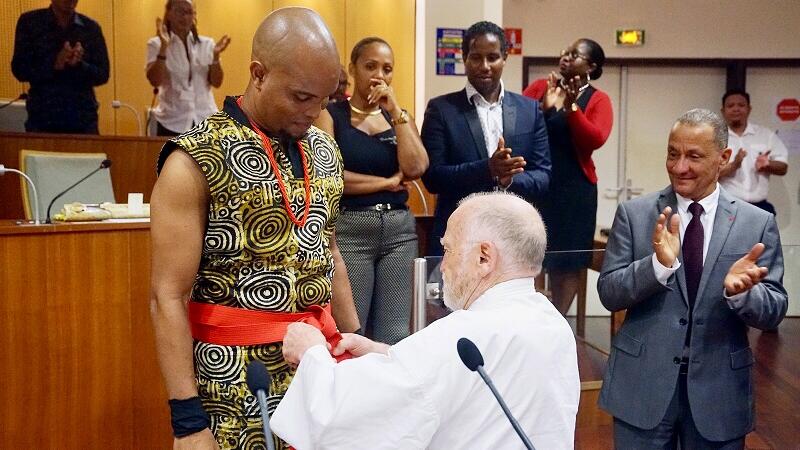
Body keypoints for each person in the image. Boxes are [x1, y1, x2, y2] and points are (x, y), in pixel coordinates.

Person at [149, 8, 360, 450]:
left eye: (324, 99)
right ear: (258, 74)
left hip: (317, 367)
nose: (315, 112)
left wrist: (352, 341)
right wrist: (186, 420)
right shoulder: (194, 158)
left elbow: (330, 252)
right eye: (301, 97)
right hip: (234, 382)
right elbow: (166, 295)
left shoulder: (323, 149)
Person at [271, 191, 580, 449]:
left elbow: (342, 415)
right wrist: (387, 355)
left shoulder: (462, 334)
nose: (442, 266)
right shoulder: (551, 321)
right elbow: (474, 386)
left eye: (448, 249)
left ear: (484, 257)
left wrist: (311, 353)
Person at [598, 109, 787, 449]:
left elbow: (774, 309)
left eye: (694, 156)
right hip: (642, 389)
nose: (679, 166)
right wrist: (657, 267)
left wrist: (742, 294)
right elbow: (609, 292)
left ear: (724, 157)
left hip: (719, 393)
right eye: (673, 153)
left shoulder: (755, 224)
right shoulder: (635, 214)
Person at [315, 37, 429, 344]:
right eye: (370, 66)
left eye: (387, 69)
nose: (379, 75)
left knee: (395, 334)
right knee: (353, 331)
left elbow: (417, 166)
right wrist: (387, 183)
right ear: (352, 69)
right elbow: (331, 176)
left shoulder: (398, 117)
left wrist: (394, 111)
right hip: (351, 229)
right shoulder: (331, 114)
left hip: (399, 232)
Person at [420, 20, 550, 256]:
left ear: (505, 57)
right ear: (464, 57)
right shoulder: (441, 109)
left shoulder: (529, 110)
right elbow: (433, 177)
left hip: (513, 237)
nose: (485, 66)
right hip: (459, 235)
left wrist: (508, 180)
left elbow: (543, 176)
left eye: (492, 57)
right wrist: (487, 169)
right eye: (476, 57)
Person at [523, 38, 613, 315]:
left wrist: (572, 108)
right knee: (531, 257)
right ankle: (532, 318)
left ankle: (558, 319)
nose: (565, 56)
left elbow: (594, 139)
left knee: (568, 261)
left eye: (575, 54)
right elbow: (518, 123)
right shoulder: (540, 87)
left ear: (591, 66)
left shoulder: (598, 99)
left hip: (575, 192)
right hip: (538, 187)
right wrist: (545, 107)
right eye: (565, 51)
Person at [11, 0, 109, 134]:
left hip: (83, 120)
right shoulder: (30, 22)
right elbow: (19, 69)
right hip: (43, 119)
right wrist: (54, 63)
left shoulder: (91, 28)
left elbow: (103, 74)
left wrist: (80, 65)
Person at [146, 0, 231, 136]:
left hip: (205, 120)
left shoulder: (207, 44)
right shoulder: (156, 44)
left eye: (189, 12)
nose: (185, 17)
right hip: (172, 121)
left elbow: (217, 83)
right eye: (180, 11)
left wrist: (215, 56)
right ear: (168, 14)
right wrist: (163, 48)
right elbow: (155, 81)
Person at [719, 88, 789, 215]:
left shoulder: (766, 135)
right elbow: (709, 174)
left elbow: (783, 167)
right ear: (723, 111)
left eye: (741, 105)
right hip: (727, 207)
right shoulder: (715, 138)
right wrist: (734, 165)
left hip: (760, 207)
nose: (736, 109)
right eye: (730, 106)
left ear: (749, 109)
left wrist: (768, 165)